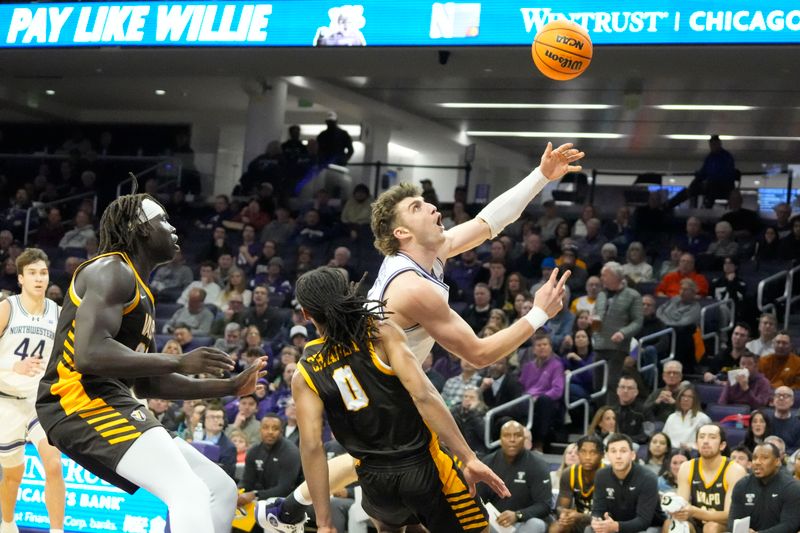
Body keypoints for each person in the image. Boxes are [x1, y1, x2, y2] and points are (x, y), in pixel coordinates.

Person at [265, 141, 582, 530]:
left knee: (382, 482)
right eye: (417, 207)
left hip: (373, 392)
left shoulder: (418, 254)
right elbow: (480, 355)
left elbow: (488, 224)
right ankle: (295, 505)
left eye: (426, 202)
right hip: (391, 390)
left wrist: (540, 178)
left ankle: (293, 506)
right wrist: (538, 314)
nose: (433, 207)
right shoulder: (414, 287)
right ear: (401, 231)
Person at [35, 188, 267, 533]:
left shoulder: (140, 290)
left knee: (219, 489)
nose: (173, 229)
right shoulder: (110, 271)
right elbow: (89, 354)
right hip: (76, 402)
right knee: (186, 490)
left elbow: (148, 382)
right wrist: (177, 361)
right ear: (138, 228)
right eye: (163, 220)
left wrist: (230, 386)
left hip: (111, 399)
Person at [291, 267, 509, 533]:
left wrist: (324, 522)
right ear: (348, 294)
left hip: (375, 484)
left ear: (306, 314)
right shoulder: (379, 333)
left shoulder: (304, 371)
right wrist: (468, 457)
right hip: (423, 468)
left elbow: (312, 447)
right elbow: (423, 395)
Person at [0, 249, 64, 533]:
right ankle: (8, 523)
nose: (39, 279)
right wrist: (15, 366)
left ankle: (57, 530)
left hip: (39, 402)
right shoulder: (7, 308)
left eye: (43, 273)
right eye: (33, 274)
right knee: (14, 474)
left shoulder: (59, 313)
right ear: (21, 279)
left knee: (53, 463)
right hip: (6, 401)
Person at [664, 423, 746, 533]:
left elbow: (729, 515)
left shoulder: (735, 470)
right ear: (696, 444)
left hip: (724, 526)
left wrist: (693, 511)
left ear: (722, 445)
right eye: (702, 437)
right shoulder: (687, 467)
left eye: (712, 437)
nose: (706, 441)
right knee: (669, 524)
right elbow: (682, 505)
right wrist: (676, 510)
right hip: (696, 523)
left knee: (711, 527)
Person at [479, 421, 553, 533]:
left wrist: (517, 515)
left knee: (536, 524)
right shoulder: (488, 463)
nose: (512, 439)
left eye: (517, 435)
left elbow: (545, 505)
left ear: (524, 438)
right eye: (507, 435)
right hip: (495, 521)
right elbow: (479, 498)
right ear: (500, 439)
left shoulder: (538, 465)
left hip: (523, 521)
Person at [590, 433, 664, 533]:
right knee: (590, 530)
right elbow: (598, 510)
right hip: (615, 525)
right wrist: (597, 521)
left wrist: (616, 526)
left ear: (632, 455)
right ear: (607, 456)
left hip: (648, 527)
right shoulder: (601, 475)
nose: (618, 456)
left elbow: (644, 521)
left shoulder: (648, 478)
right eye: (613, 451)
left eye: (623, 451)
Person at [593, 262, 643, 395]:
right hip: (599, 345)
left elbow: (638, 321)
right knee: (597, 385)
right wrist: (590, 319)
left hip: (618, 347)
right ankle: (602, 414)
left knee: (612, 384)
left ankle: (613, 412)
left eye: (605, 275)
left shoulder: (633, 295)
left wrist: (623, 332)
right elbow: (596, 314)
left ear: (616, 277)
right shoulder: (601, 295)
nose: (602, 278)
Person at [728, 443, 800, 533]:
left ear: (777, 461)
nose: (757, 462)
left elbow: (789, 526)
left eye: (764, 458)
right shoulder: (742, 485)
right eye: (754, 458)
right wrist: (744, 530)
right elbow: (732, 521)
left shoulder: (791, 487)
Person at [551, 435, 603, 533]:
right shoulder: (569, 473)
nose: (587, 457)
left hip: (604, 523)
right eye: (583, 452)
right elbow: (561, 506)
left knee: (591, 529)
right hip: (579, 520)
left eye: (593, 453)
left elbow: (610, 514)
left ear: (601, 455)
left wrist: (581, 516)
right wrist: (564, 514)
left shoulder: (609, 474)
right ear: (578, 453)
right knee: (557, 527)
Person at [663, 384, 711, 452]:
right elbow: (664, 438)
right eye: (683, 396)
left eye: (690, 397)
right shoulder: (671, 417)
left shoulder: (703, 418)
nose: (685, 399)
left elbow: (707, 442)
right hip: (670, 452)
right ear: (679, 398)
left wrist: (691, 447)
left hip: (691, 452)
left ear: (695, 400)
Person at [612, 376, 649, 445]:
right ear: (617, 390)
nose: (625, 391)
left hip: (635, 445)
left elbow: (647, 434)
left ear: (636, 392)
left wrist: (626, 441)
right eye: (622, 387)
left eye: (630, 388)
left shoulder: (644, 411)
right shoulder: (611, 410)